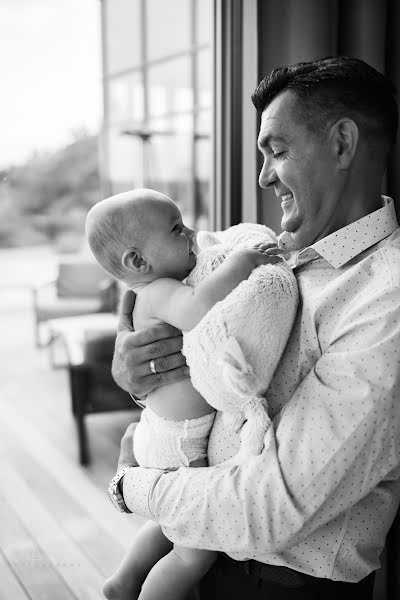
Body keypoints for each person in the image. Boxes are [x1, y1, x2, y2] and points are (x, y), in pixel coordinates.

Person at [110, 56, 400, 600]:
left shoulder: (386, 302)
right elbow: (163, 301)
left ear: (342, 144)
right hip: (198, 556)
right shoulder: (260, 249)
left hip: (281, 585)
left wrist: (132, 486)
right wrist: (137, 366)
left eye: (278, 151)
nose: (264, 176)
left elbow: (275, 507)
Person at [85, 189, 283, 600]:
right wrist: (242, 263)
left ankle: (123, 580)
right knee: (195, 553)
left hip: (163, 428)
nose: (192, 233)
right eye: (177, 229)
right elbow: (197, 308)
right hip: (180, 439)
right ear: (138, 261)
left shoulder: (149, 292)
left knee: (166, 525)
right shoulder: (159, 291)